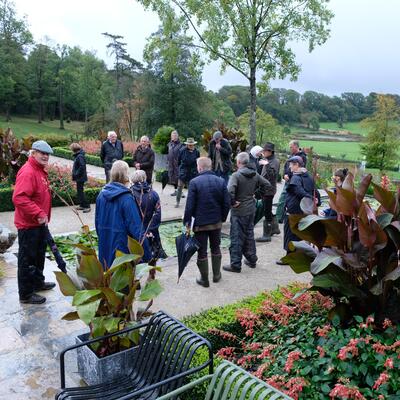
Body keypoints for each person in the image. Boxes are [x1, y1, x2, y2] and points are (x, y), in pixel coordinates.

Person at [12, 140, 56, 304]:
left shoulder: (39, 170)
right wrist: (38, 212)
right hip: (28, 225)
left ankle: (37, 282)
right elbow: (19, 198)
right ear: (33, 153)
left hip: (38, 224)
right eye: (42, 153)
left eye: (48, 154)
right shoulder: (28, 171)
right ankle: (26, 294)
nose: (46, 156)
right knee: (27, 260)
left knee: (38, 256)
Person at [183, 157, 231, 287]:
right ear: (210, 167)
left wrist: (186, 223)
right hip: (216, 223)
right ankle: (216, 276)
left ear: (199, 167)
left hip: (200, 224)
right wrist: (222, 218)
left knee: (202, 251)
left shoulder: (194, 182)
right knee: (215, 248)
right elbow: (227, 203)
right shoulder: (221, 182)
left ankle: (204, 280)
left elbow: (189, 206)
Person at [95, 160, 151, 270]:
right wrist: (147, 254)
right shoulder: (126, 198)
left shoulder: (101, 195)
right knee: (122, 282)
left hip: (105, 245)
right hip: (122, 250)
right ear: (126, 174)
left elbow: (97, 223)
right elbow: (136, 229)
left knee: (109, 280)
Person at [223, 152, 272, 273]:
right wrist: (257, 194)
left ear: (239, 162)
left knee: (236, 237)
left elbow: (229, 192)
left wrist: (233, 202)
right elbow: (267, 184)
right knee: (249, 234)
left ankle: (235, 264)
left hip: (239, 211)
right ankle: (252, 259)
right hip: (251, 209)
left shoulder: (236, 175)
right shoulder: (255, 174)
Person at [277, 155, 320, 265]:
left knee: (290, 233)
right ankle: (299, 256)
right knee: (299, 233)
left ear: (297, 165)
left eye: (291, 165)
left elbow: (298, 190)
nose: (290, 167)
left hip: (294, 211)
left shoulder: (296, 177)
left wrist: (311, 198)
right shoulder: (308, 176)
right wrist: (316, 200)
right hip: (303, 211)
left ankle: (290, 258)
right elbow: (315, 191)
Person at [131, 170, 167, 260]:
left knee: (138, 258)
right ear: (145, 178)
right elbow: (158, 215)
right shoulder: (153, 194)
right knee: (154, 257)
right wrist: (150, 230)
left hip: (136, 233)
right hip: (152, 232)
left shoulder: (130, 194)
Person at [275, 140, 307, 223]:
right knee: (284, 199)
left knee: (285, 199)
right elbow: (287, 166)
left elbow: (298, 170)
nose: (290, 148)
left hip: (293, 181)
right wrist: (284, 174)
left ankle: (279, 217)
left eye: (291, 147)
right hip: (287, 179)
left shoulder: (302, 157)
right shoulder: (292, 155)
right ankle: (280, 217)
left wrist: (289, 176)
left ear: (296, 146)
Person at [256, 142, 280, 242]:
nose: (263, 152)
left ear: (270, 151)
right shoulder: (268, 159)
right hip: (264, 189)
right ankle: (275, 228)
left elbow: (272, 176)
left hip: (269, 190)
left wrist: (267, 165)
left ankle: (267, 235)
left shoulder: (274, 161)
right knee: (267, 209)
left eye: (265, 151)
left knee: (266, 211)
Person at [175, 138, 200, 208]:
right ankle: (177, 201)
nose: (191, 146)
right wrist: (181, 170)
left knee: (191, 188)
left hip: (192, 172)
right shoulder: (182, 150)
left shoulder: (196, 152)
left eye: (192, 145)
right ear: (187, 145)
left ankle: (190, 203)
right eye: (189, 145)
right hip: (183, 170)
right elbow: (178, 161)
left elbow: (198, 162)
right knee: (180, 187)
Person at [70, 143, 90, 213]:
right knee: (79, 191)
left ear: (73, 149)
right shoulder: (78, 155)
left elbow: (82, 166)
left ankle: (87, 206)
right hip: (80, 177)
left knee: (80, 192)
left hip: (80, 177)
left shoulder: (80, 156)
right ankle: (82, 205)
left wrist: (76, 173)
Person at [167, 130, 183, 196]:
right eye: (172, 135)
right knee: (172, 178)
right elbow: (168, 153)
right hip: (171, 164)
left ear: (177, 136)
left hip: (178, 164)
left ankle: (180, 192)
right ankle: (175, 190)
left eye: (175, 135)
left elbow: (182, 154)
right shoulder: (169, 144)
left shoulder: (181, 145)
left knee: (179, 177)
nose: (174, 137)